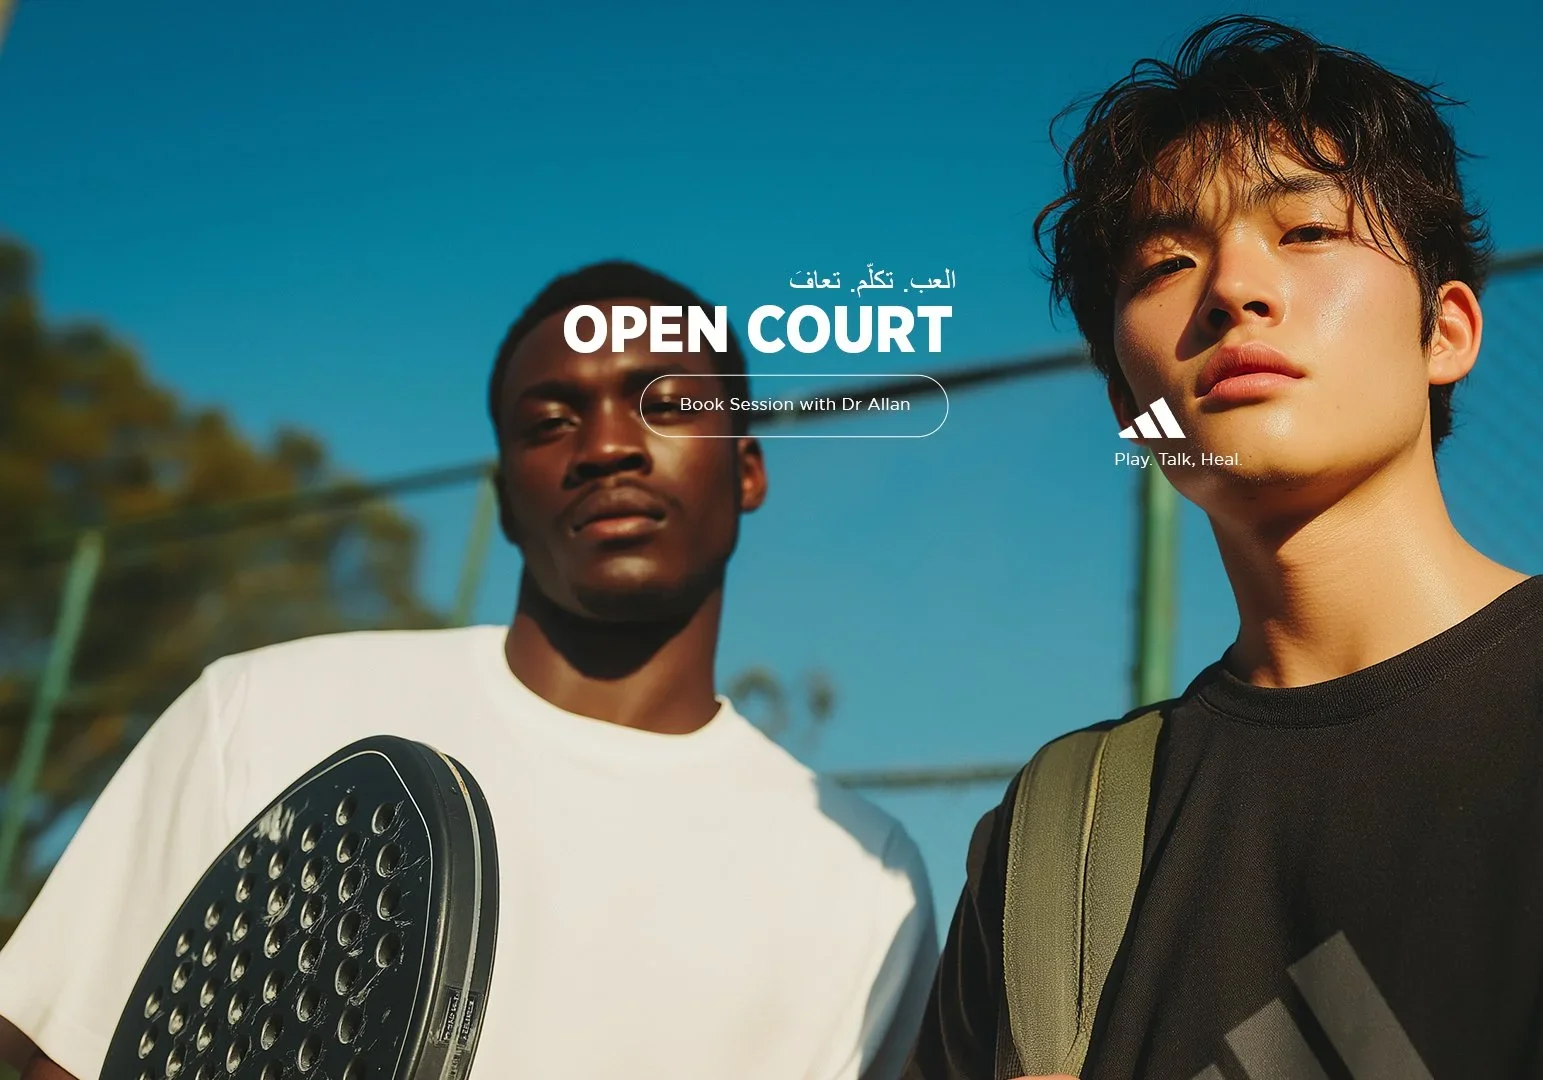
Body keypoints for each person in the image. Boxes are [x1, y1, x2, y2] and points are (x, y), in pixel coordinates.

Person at [906, 16, 1543, 1080]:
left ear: (1448, 331)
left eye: (1304, 233)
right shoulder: (1058, 848)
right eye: (1166, 260)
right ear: (1128, 404)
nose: (1233, 291)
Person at [0, 260, 938, 1080]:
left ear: (747, 470)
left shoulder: (867, 879)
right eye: (551, 420)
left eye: (662, 404)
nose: (607, 446)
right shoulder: (261, 710)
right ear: (503, 500)